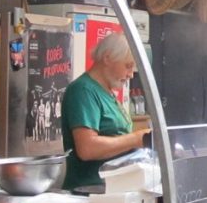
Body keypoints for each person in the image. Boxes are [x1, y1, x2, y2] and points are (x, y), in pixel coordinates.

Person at [61, 33, 150, 191]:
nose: (130, 74)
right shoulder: (83, 90)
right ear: (107, 58)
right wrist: (137, 139)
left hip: (114, 188)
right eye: (128, 66)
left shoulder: (108, 93)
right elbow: (87, 148)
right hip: (90, 190)